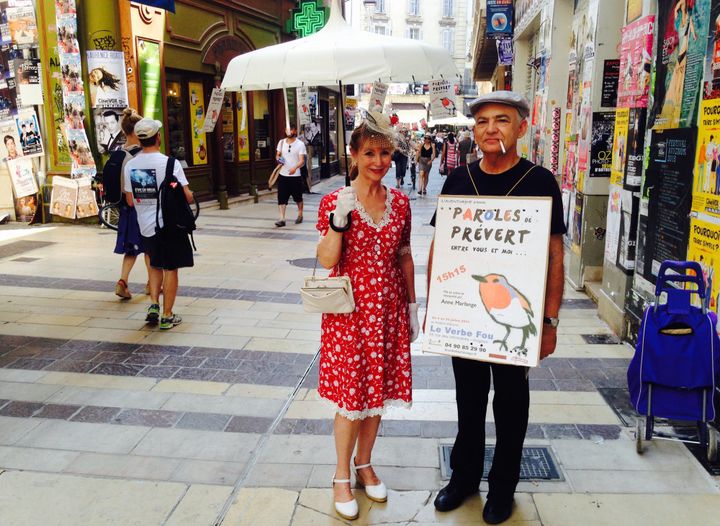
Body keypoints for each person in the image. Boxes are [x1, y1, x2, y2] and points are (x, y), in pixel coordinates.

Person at [427, 91, 566, 525]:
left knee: (510, 403)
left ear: (521, 127)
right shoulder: (458, 180)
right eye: (482, 121)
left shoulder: (540, 181)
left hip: (512, 325)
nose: (490, 129)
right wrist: (435, 305)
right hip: (465, 318)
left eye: (501, 120)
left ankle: (502, 487)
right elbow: (441, 246)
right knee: (467, 401)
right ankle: (464, 478)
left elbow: (555, 255)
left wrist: (548, 320)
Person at [316, 111, 419, 521]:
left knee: (378, 395)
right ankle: (341, 474)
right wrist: (338, 222)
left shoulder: (402, 203)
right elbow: (326, 260)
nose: (378, 161)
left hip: (389, 309)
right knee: (351, 398)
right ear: (354, 155)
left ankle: (364, 463)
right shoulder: (334, 201)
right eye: (370, 152)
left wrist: (412, 306)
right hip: (350, 314)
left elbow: (405, 255)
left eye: (385, 153)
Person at [123, 118, 195, 330]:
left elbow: (129, 200)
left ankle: (154, 304)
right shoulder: (170, 164)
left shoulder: (131, 165)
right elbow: (188, 197)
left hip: (146, 226)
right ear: (158, 138)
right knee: (170, 268)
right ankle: (167, 315)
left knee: (154, 265)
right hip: (170, 225)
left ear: (140, 139)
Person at [112, 108, 151, 300]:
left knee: (131, 249)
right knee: (149, 247)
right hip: (139, 208)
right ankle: (152, 284)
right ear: (137, 132)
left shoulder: (119, 153)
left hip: (124, 209)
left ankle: (123, 281)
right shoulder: (139, 157)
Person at [274, 124, 307, 227]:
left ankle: (300, 214)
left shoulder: (300, 144)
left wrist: (295, 168)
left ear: (295, 131)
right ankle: (282, 218)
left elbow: (302, 161)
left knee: (298, 197)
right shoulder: (281, 142)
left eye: (291, 130)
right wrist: (278, 159)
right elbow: (277, 155)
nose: (289, 132)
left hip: (295, 175)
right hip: (283, 174)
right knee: (281, 197)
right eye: (287, 130)